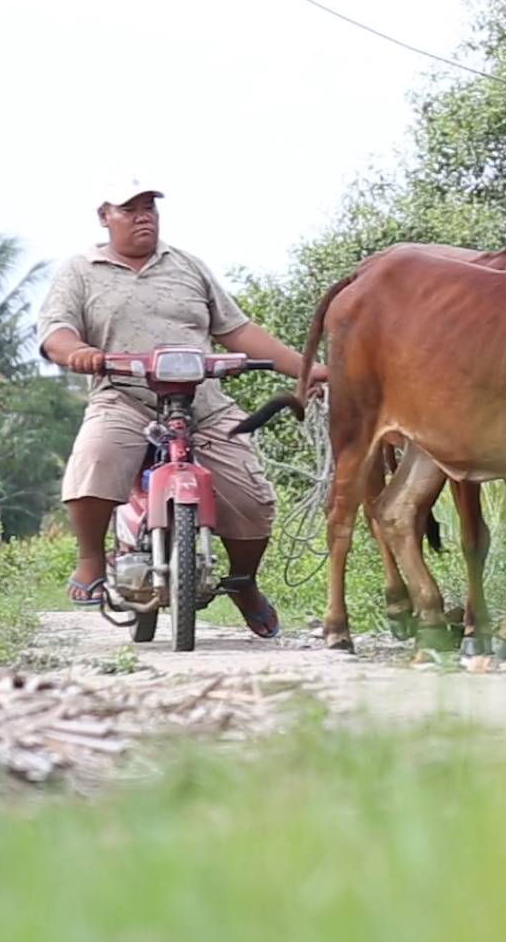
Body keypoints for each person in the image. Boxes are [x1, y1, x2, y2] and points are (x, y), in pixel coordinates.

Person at [36, 176, 325, 639]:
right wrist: (77, 352)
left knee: (251, 495)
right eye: (129, 208)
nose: (143, 215)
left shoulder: (187, 265)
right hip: (125, 397)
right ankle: (90, 557)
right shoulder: (81, 270)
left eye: (149, 205)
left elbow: (236, 330)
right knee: (95, 455)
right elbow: (55, 332)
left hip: (201, 402)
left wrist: (307, 370)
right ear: (104, 216)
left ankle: (242, 581)